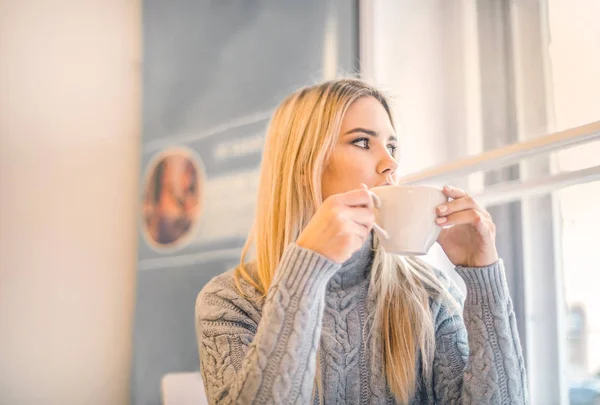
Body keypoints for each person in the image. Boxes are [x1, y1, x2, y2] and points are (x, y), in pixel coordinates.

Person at [195, 78, 528, 404]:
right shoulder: (230, 302)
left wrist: (484, 279)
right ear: (303, 167)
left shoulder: (429, 295)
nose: (391, 164)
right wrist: (306, 271)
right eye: (362, 142)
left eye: (392, 146)